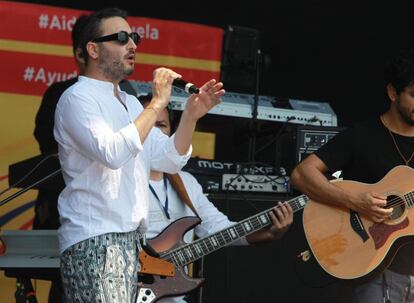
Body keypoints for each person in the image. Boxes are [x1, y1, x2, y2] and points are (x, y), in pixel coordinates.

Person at [53, 7, 225, 303]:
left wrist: (190, 118)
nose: (132, 45)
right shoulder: (77, 98)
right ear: (93, 49)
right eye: (121, 38)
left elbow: (168, 159)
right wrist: (157, 102)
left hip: (132, 243)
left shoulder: (132, 104)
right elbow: (112, 152)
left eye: (134, 37)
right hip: (96, 241)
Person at [139, 94, 294, 302]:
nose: (156, 133)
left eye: (162, 126)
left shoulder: (187, 183)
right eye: (149, 125)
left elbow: (220, 229)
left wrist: (268, 235)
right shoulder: (121, 182)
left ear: (171, 132)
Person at [290, 49, 414, 303]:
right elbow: (302, 174)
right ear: (393, 92)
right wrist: (357, 202)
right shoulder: (361, 137)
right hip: (376, 270)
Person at [31, 14, 89, 303]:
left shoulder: (128, 96)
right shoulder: (61, 93)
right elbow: (48, 147)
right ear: (81, 52)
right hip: (67, 215)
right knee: (67, 286)